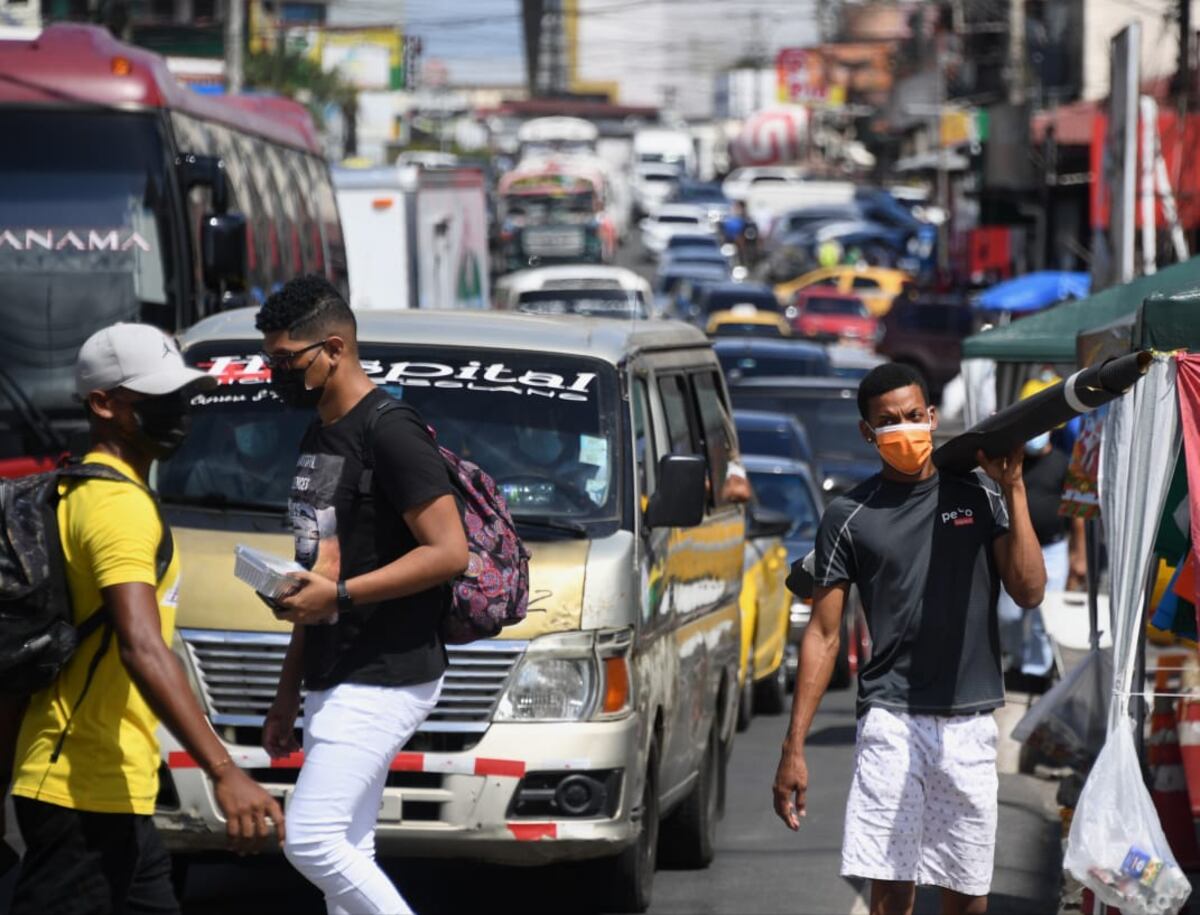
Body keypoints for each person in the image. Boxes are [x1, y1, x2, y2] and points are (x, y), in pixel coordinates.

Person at [0, 323, 285, 914]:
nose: (177, 410)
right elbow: (142, 647)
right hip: (81, 784)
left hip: (112, 781)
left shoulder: (79, 488)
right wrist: (224, 769)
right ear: (103, 404)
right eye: (157, 399)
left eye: (180, 395)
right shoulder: (120, 508)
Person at [772, 363, 1046, 915]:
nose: (904, 429)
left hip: (969, 721)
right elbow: (825, 635)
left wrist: (1013, 487)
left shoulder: (979, 496)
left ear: (932, 417)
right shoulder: (849, 516)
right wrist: (793, 747)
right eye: (888, 421)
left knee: (967, 892)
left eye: (913, 417)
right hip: (890, 719)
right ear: (867, 432)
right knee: (891, 889)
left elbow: (1030, 591)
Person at [256, 275, 469, 915]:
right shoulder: (319, 437)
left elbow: (449, 551)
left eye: (287, 359)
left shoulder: (391, 432)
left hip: (387, 670)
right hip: (334, 668)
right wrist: (288, 690)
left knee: (312, 840)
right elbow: (315, 576)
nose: (277, 373)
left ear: (336, 348)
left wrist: (341, 597)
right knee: (350, 847)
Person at [997, 426, 1087, 681]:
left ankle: (1038, 672)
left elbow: (1078, 513)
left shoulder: (1064, 463)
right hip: (1013, 547)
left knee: (1043, 618)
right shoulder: (1013, 464)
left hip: (1052, 550)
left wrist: (1079, 555)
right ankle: (1014, 661)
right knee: (1007, 614)